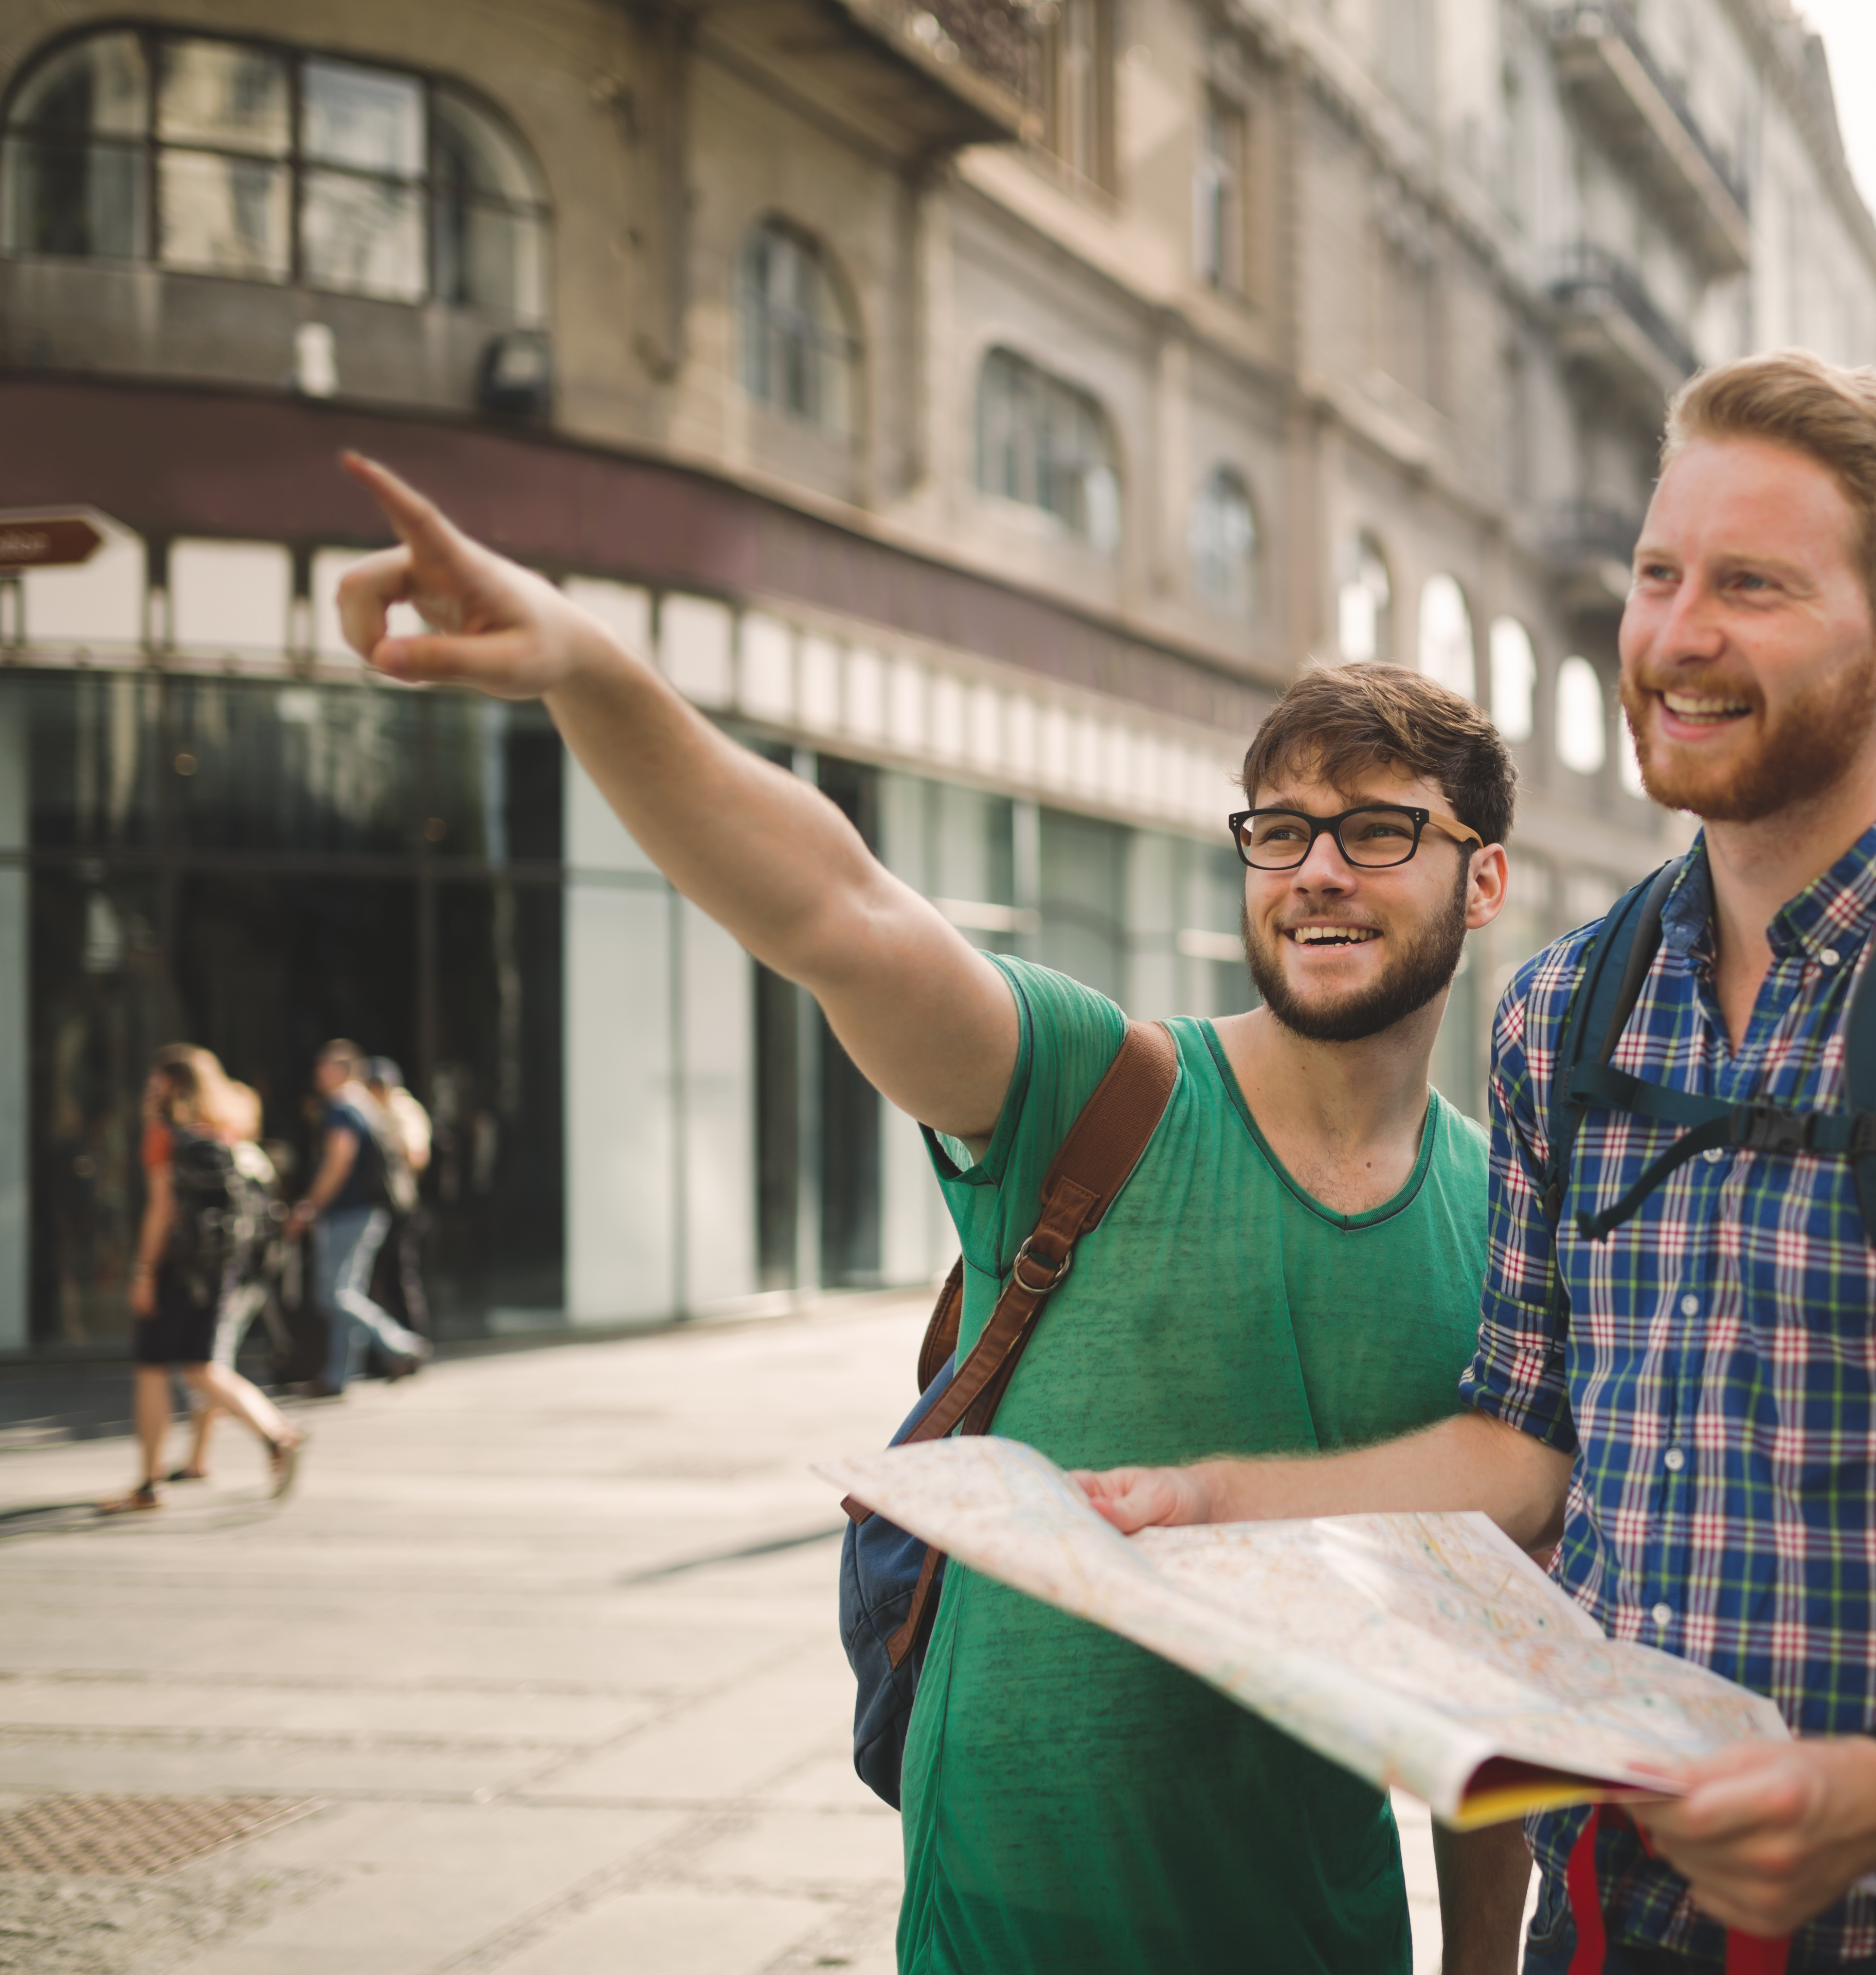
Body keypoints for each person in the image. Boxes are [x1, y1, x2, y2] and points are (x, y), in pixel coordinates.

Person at [327, 452, 1533, 1975]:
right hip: (1002, 1930)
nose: (1315, 871)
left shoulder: (1506, 1222)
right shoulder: (1105, 1089)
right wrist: (589, 669)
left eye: (1377, 830)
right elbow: (837, 908)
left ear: (1482, 880)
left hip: (1317, 1937)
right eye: (1279, 830)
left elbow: (1491, 1651)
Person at [1085, 351, 1876, 1974]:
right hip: (1608, 1925)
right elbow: (1523, 1449)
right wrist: (1213, 1501)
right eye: (1660, 576)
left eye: (1753, 585)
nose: (1678, 636)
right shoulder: (1564, 1013)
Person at [101, 1049, 305, 1512]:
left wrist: (144, 1271)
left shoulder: (164, 1135)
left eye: (155, 1082)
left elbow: (161, 1209)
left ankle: (148, 1485)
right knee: (203, 1367)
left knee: (152, 1370)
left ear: (170, 1086)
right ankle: (277, 1434)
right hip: (218, 1268)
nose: (148, 1090)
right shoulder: (224, 1132)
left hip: (175, 1267)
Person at [286, 1040, 430, 1396]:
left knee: (333, 1294)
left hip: (348, 1211)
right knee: (348, 1291)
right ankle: (337, 1377)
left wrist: (309, 1206)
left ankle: (402, 1344)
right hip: (369, 1211)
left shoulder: (341, 1107)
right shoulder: (366, 1105)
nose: (317, 1073)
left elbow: (339, 1162)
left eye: (324, 1065)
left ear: (342, 1070)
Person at [362, 1055, 435, 1345]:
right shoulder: (373, 1110)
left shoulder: (402, 1110)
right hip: (385, 1203)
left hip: (401, 1206)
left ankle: (413, 1342)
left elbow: (418, 1157)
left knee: (400, 1275)